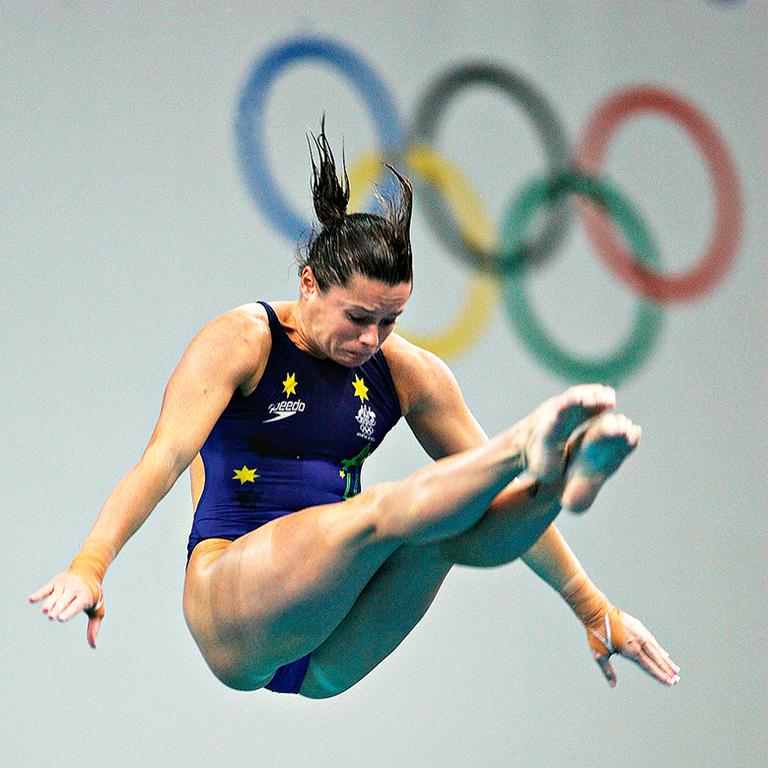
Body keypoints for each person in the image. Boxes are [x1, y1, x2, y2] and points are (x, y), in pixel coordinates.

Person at [30, 124, 679, 697]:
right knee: (382, 512)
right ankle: (527, 446)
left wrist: (595, 610)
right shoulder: (244, 342)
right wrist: (92, 564)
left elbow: (479, 496)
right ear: (310, 282)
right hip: (231, 602)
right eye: (359, 317)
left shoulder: (408, 374)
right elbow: (163, 460)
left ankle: (559, 481)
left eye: (391, 321)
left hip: (329, 650)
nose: (372, 339)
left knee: (445, 533)